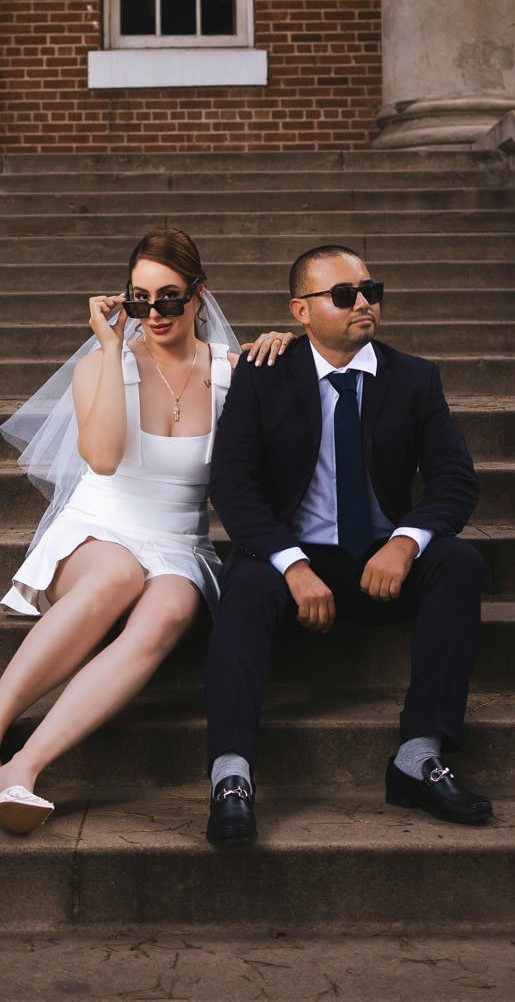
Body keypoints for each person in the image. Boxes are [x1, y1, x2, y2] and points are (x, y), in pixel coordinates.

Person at [0, 227, 292, 835]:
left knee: (167, 611)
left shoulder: (233, 375)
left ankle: (21, 770)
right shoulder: (105, 367)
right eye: (139, 300)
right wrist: (108, 347)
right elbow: (101, 459)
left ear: (199, 296)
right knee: (117, 576)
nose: (153, 313)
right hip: (99, 531)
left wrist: (286, 344)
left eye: (169, 298)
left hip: (181, 544)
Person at [203, 242, 490, 846]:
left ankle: (418, 756)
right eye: (343, 295)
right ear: (300, 312)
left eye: (370, 292)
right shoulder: (263, 376)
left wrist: (407, 542)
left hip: (381, 563)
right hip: (293, 562)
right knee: (246, 580)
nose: (363, 303)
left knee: (458, 563)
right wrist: (291, 563)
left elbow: (455, 480)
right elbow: (232, 487)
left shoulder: (414, 378)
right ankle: (232, 775)